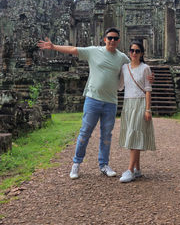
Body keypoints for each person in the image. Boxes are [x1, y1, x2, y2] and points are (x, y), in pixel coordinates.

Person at [37, 27, 129, 179]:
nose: (112, 40)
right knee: (85, 132)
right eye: (110, 38)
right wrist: (53, 47)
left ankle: (104, 164)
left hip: (111, 102)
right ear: (104, 39)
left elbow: (135, 65)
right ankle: (76, 163)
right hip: (93, 99)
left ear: (118, 41)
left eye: (115, 38)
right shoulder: (93, 51)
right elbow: (73, 49)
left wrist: (148, 77)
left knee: (106, 135)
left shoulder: (122, 57)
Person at [117, 40, 155, 183]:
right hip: (128, 104)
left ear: (142, 53)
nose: (134, 53)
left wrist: (147, 109)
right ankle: (137, 168)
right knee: (132, 133)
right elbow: (119, 85)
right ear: (129, 52)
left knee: (135, 134)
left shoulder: (146, 68)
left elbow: (147, 90)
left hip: (140, 104)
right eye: (132, 50)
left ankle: (130, 170)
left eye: (137, 51)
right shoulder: (124, 68)